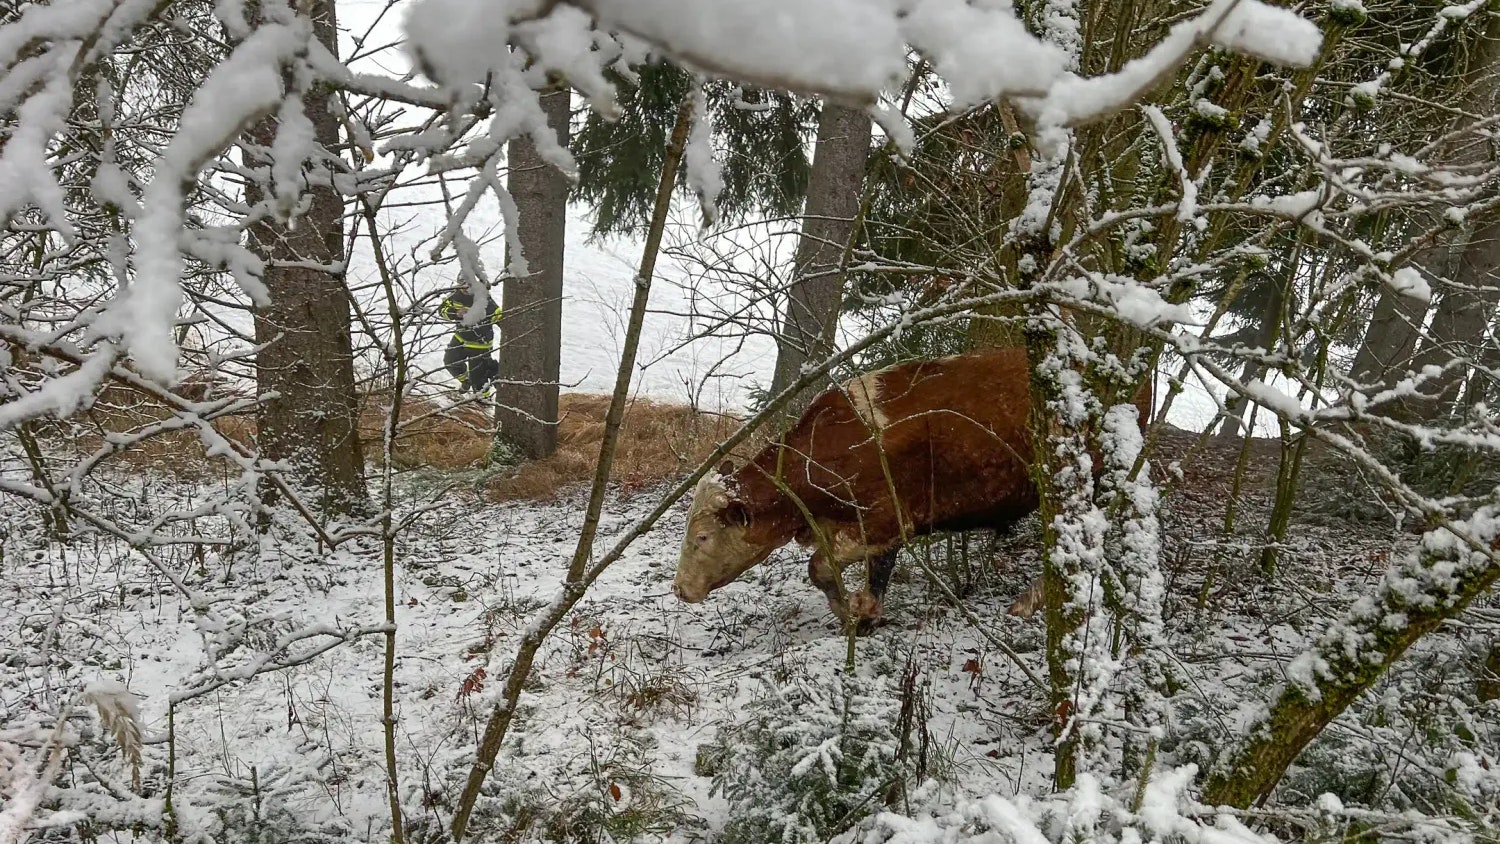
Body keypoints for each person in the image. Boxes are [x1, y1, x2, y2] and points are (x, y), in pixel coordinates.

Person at [439, 287, 502, 397]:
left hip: (480, 346)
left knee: (478, 379)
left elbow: (500, 316)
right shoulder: (455, 296)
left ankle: (484, 400)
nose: (465, 289)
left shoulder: (484, 299)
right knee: (450, 362)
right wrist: (455, 313)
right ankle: (466, 381)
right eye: (462, 285)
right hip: (460, 339)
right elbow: (442, 310)